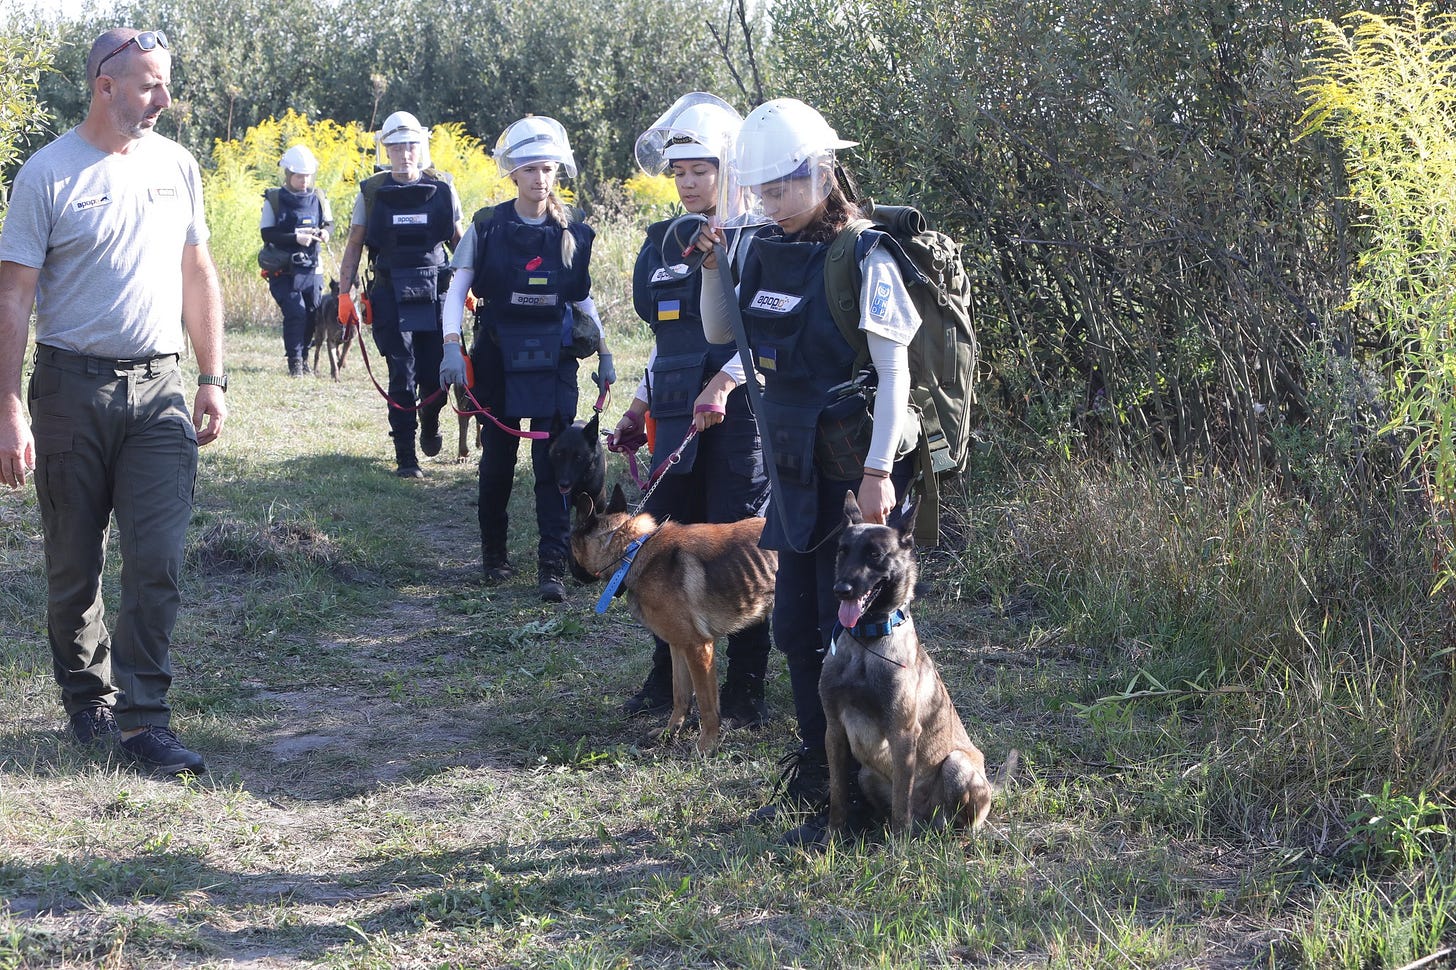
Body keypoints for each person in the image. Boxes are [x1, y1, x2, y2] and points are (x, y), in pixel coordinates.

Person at [0, 28, 228, 775]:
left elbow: (199, 273)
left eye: (165, 83)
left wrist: (210, 375)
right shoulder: (48, 174)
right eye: (149, 85)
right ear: (105, 84)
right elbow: (13, 297)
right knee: (73, 565)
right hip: (71, 391)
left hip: (160, 389)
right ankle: (88, 700)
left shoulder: (177, 166)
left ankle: (144, 720)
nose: (164, 99)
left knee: (157, 560)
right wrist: (8, 405)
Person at [698, 99, 920, 838]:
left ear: (823, 171)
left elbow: (895, 374)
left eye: (785, 186)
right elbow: (722, 330)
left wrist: (880, 472)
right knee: (797, 623)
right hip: (792, 473)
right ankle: (819, 773)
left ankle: (868, 794)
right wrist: (715, 263)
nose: (774, 201)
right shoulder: (760, 245)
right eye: (762, 190)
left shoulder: (864, 254)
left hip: (854, 475)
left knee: (854, 631)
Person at [614, 93, 771, 727]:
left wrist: (729, 382)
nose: (686, 184)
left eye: (700, 170)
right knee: (663, 552)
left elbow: (769, 334)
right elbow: (668, 339)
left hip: (739, 421)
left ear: (729, 169)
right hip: (677, 417)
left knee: (739, 548)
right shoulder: (662, 242)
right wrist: (639, 402)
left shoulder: (763, 236)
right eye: (678, 172)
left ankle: (746, 690)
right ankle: (664, 678)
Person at [439, 115, 611, 603]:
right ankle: (494, 556)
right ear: (513, 172)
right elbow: (457, 290)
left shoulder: (571, 231)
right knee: (496, 463)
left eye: (548, 169)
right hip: (497, 359)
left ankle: (552, 567)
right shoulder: (489, 226)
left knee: (555, 468)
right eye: (531, 168)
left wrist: (605, 350)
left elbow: (582, 300)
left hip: (554, 360)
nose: (540, 178)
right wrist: (452, 345)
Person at [338, 111, 463, 478]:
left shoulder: (443, 188)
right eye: (397, 146)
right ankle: (406, 459)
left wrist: (474, 287)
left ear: (420, 147)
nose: (405, 153)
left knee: (435, 373)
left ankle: (430, 420)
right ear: (386, 149)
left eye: (411, 145)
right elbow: (354, 244)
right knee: (401, 373)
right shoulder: (372, 192)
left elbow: (460, 242)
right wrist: (345, 294)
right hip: (390, 292)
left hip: (437, 292)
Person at [260, 143, 332, 377]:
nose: (304, 181)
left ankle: (305, 359)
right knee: (296, 312)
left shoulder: (319, 197)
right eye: (299, 176)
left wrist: (324, 233)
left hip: (312, 268)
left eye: (307, 177)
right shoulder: (274, 199)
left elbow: (328, 223)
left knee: (311, 312)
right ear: (289, 175)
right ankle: (295, 364)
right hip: (284, 269)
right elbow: (267, 233)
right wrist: (295, 238)